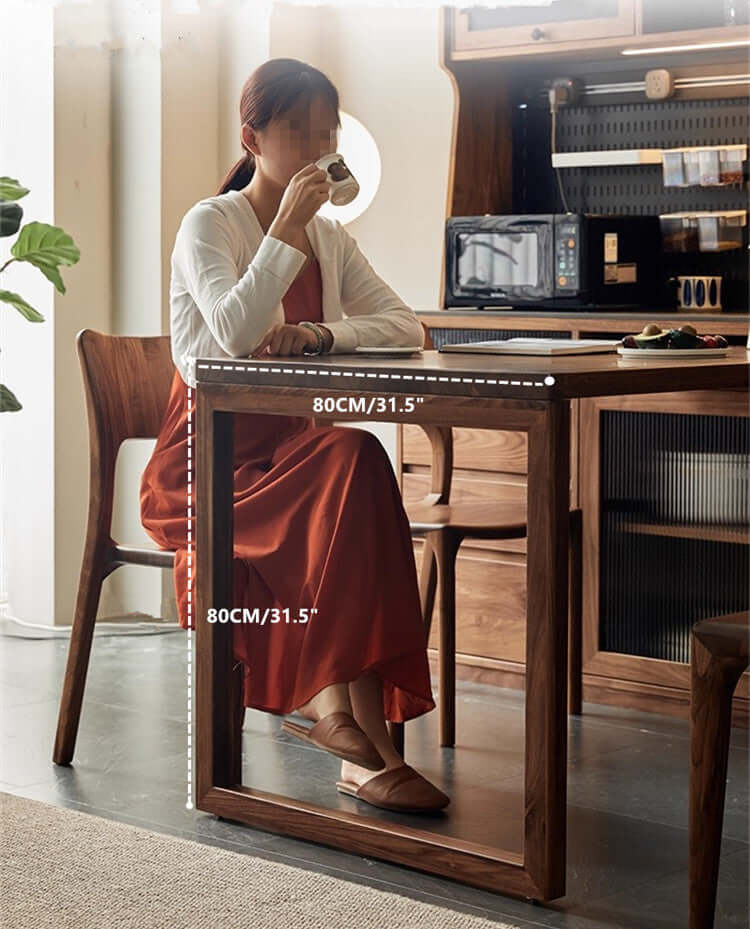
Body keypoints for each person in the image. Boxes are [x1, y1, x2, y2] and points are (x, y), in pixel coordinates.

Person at [140, 57, 449, 814]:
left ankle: (350, 726)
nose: (315, 144)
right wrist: (282, 229)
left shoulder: (331, 239)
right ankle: (351, 730)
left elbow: (404, 324)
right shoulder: (210, 223)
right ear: (253, 137)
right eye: (296, 130)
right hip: (208, 463)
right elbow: (235, 333)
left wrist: (317, 334)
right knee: (353, 459)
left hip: (293, 452)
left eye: (326, 131)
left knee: (354, 458)